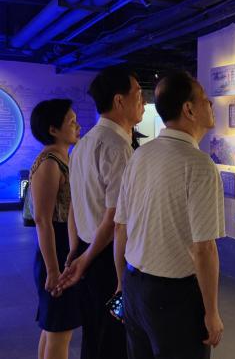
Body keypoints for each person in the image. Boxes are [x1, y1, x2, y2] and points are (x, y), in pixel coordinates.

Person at [114, 71, 225, 359]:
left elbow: (120, 227)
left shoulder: (140, 155)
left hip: (134, 285)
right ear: (189, 109)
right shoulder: (199, 165)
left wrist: (122, 284)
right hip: (174, 297)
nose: (211, 103)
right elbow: (204, 248)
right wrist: (212, 312)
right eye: (204, 98)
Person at [58, 66, 144, 359]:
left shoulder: (83, 144)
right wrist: (86, 259)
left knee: (93, 335)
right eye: (138, 95)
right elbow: (115, 219)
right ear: (120, 101)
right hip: (107, 257)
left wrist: (76, 250)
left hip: (87, 249)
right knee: (113, 340)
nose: (143, 103)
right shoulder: (117, 146)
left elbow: (75, 204)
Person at [28, 99, 82, 359]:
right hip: (56, 249)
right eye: (71, 122)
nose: (77, 126)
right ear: (53, 129)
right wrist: (53, 270)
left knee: (53, 328)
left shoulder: (62, 159)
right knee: (59, 331)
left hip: (62, 246)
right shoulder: (50, 163)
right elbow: (43, 220)